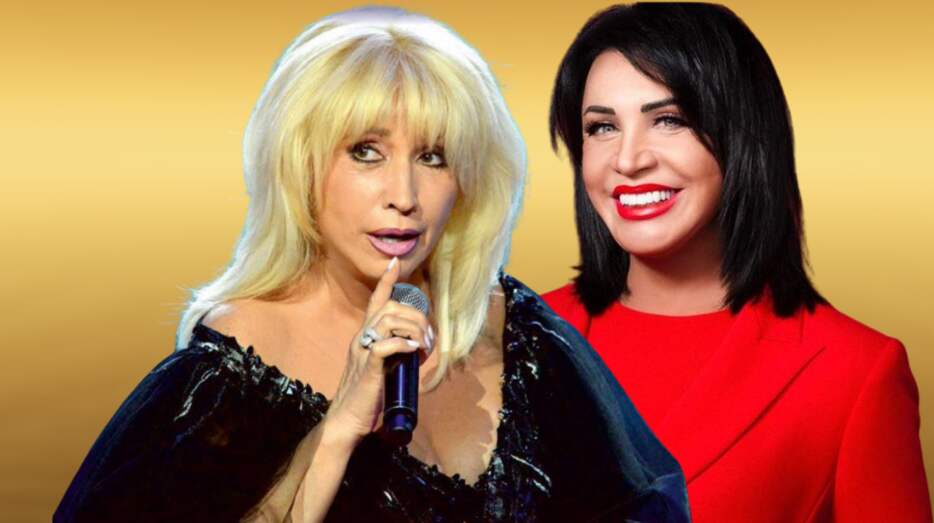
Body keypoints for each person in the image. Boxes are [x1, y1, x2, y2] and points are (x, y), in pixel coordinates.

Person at [54, 7, 689, 522]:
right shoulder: (230, 367)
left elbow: (638, 504)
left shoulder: (514, 328)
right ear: (302, 166)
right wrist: (335, 435)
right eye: (366, 152)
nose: (404, 196)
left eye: (433, 157)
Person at [542, 3, 931, 522]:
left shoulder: (854, 373)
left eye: (669, 120)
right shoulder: (505, 335)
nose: (629, 160)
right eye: (602, 127)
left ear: (744, 136)